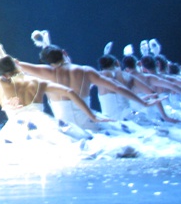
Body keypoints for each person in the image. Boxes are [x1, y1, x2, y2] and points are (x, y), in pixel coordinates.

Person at [15, 31, 160, 135]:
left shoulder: (45, 72)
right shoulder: (85, 71)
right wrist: (143, 102)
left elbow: (16, 64)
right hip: (88, 125)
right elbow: (117, 87)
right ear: (64, 53)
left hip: (65, 129)